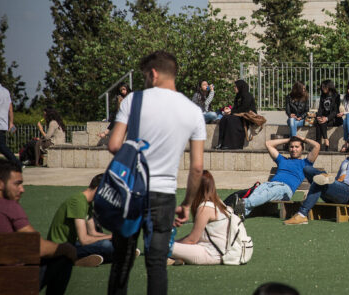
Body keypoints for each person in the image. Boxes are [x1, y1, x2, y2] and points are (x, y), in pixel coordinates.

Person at [106, 50, 206, 294]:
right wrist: (186, 203)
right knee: (157, 263)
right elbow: (197, 167)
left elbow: (114, 145)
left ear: (152, 73)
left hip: (131, 192)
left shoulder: (133, 100)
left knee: (122, 262)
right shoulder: (193, 111)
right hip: (164, 196)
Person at [0, 159, 77, 294]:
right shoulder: (9, 207)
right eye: (17, 184)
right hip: (13, 283)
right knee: (63, 256)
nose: (22, 190)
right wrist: (66, 248)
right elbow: (36, 247)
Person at [284, 135, 349, 225]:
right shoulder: (346, 161)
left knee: (319, 181)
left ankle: (301, 214)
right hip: (337, 189)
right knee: (307, 169)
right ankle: (324, 178)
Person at [231, 136, 320, 219]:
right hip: (269, 184)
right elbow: (268, 144)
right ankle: (240, 214)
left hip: (285, 188)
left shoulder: (305, 163)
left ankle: (243, 203)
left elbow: (317, 146)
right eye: (291, 147)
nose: (294, 149)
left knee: (268, 193)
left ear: (302, 149)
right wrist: (289, 139)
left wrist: (303, 139)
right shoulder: (282, 160)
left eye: (297, 147)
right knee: (256, 193)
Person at [47, 173, 115, 267]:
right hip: (60, 248)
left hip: (72, 244)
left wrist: (114, 237)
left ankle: (81, 259)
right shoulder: (78, 201)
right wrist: (109, 238)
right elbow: (84, 239)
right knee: (106, 245)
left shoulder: (88, 203)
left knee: (112, 243)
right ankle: (72, 259)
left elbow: (92, 233)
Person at [168, 170, 231, 265]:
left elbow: (192, 240)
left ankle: (172, 257)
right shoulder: (219, 202)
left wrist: (173, 243)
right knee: (169, 245)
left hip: (211, 253)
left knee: (160, 246)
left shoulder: (205, 207)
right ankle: (177, 258)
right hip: (219, 251)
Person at [216, 79, 256, 150]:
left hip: (246, 117)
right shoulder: (238, 96)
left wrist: (231, 112)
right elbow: (236, 108)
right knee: (225, 118)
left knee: (230, 120)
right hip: (238, 116)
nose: (234, 88)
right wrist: (229, 111)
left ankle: (235, 145)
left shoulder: (247, 96)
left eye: (235, 86)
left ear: (240, 87)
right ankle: (221, 143)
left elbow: (244, 108)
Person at [314, 79, 341, 151]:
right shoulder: (322, 96)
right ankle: (321, 142)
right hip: (324, 117)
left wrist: (326, 118)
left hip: (334, 118)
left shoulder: (336, 96)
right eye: (322, 87)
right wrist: (319, 117)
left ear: (329, 87)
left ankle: (321, 142)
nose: (323, 88)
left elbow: (335, 111)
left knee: (322, 122)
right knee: (318, 121)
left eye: (324, 87)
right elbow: (320, 109)